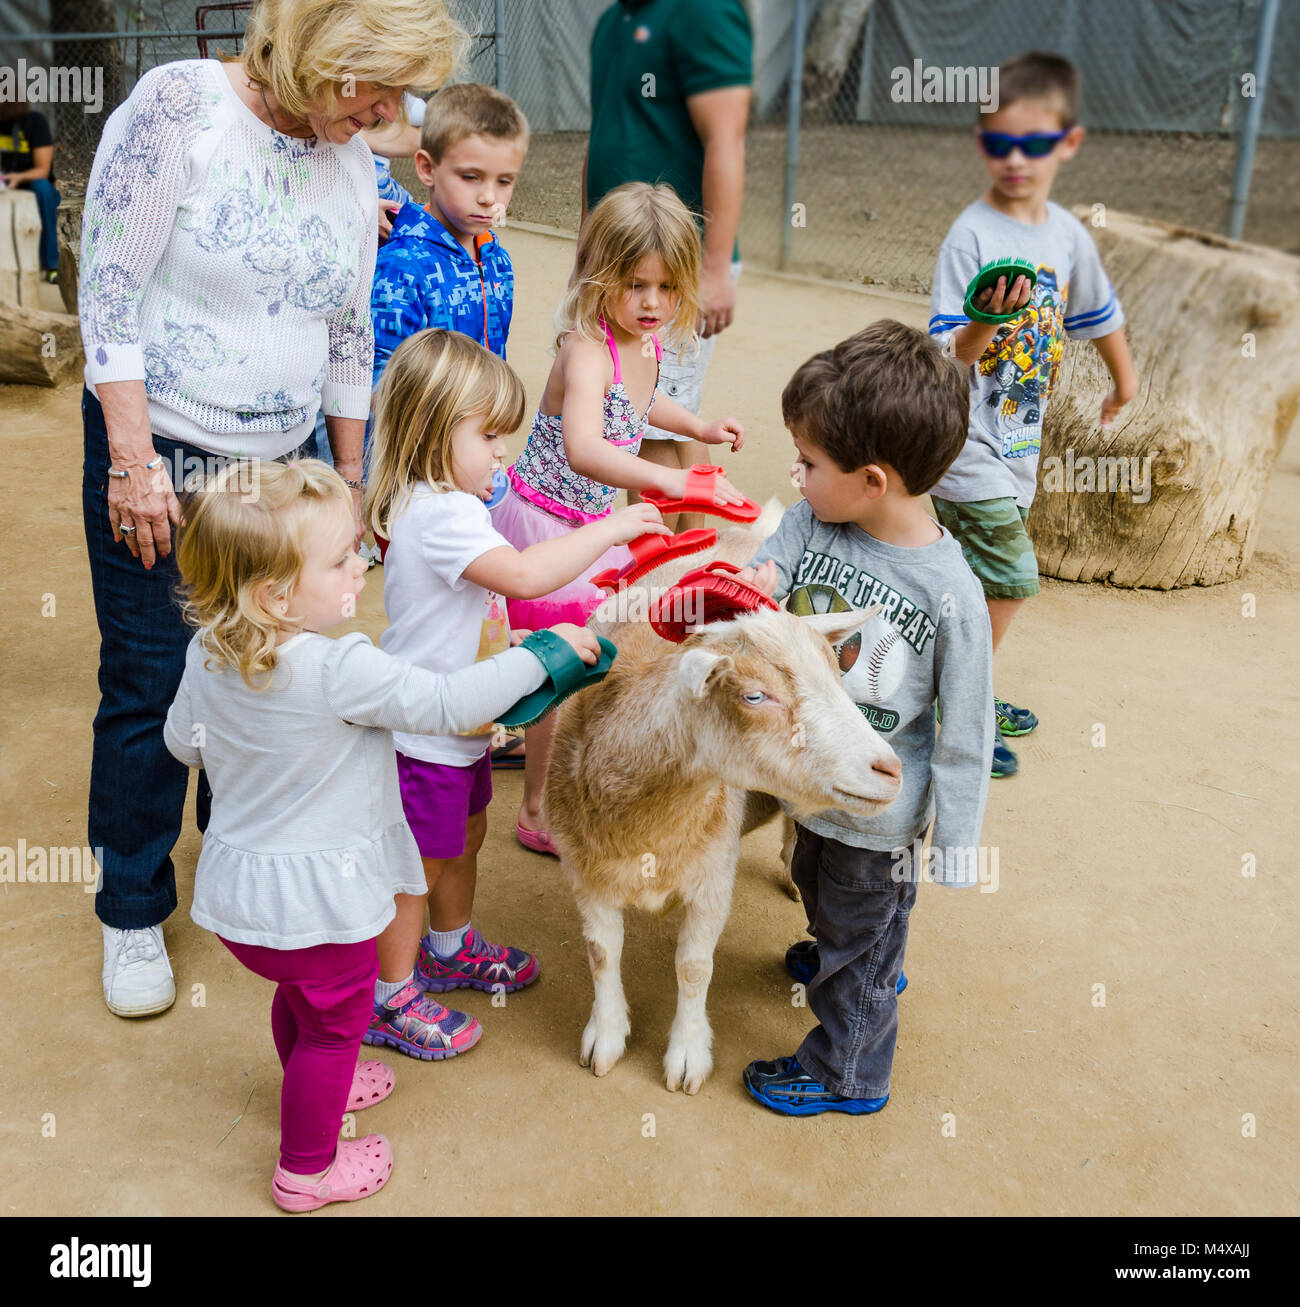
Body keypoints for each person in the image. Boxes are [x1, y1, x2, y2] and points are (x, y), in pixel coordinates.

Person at [77, 0, 466, 1020]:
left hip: (287, 459)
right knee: (155, 677)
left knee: (264, 680)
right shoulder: (179, 110)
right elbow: (110, 286)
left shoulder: (354, 162)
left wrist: (346, 474)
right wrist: (130, 458)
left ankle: (237, 881)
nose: (394, 111)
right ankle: (130, 905)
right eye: (375, 88)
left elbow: (347, 329)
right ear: (317, 58)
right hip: (164, 446)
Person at [164, 458, 600, 1210]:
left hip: (244, 900)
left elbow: (182, 745)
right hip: (317, 905)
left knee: (305, 997)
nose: (360, 565)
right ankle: (307, 1169)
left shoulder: (207, 650)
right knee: (338, 1020)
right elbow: (445, 699)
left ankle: (316, 1086)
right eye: (339, 559)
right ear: (273, 593)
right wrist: (540, 653)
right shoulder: (340, 667)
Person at [358, 329, 665, 1056]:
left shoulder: (449, 504)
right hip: (423, 735)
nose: (504, 450)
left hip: (457, 726)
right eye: (488, 433)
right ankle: (388, 994)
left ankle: (448, 945)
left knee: (464, 838)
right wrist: (613, 524)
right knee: (416, 868)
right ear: (434, 430)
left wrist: (526, 653)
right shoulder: (442, 514)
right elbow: (527, 577)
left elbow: (482, 613)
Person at [738, 321, 995, 1117]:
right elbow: (772, 560)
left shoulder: (950, 591)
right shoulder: (819, 521)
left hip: (881, 812)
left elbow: (967, 727)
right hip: (815, 782)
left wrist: (955, 842)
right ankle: (850, 948)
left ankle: (848, 1068)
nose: (797, 475)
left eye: (810, 464)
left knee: (863, 926)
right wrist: (752, 579)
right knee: (818, 881)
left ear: (874, 479)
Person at [490, 181, 747, 856]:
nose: (653, 302)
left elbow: (643, 404)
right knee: (558, 668)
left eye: (666, 287)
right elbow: (586, 446)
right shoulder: (585, 349)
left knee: (595, 659)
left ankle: (553, 765)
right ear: (600, 276)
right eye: (635, 285)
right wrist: (667, 478)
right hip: (548, 525)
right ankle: (538, 809)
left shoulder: (646, 341)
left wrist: (698, 424)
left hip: (594, 530)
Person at [926, 51, 1137, 778]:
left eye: (1035, 144)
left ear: (1067, 144)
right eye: (997, 142)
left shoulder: (1065, 235)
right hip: (965, 448)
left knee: (972, 584)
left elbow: (1099, 310)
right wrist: (987, 317)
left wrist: (1124, 380)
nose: (1015, 159)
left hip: (1018, 445)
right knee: (1012, 578)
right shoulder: (971, 235)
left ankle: (960, 684)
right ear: (980, 140)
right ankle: (961, 710)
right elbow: (945, 355)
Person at [585, 0, 752, 528]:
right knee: (660, 421)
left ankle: (665, 574)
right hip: (617, 262)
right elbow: (603, 138)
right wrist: (586, 251)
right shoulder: (613, 22)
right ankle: (682, 572)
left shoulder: (702, 11)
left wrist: (715, 267)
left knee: (653, 425)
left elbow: (726, 138)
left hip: (671, 268)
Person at [371, 82, 528, 376]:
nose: (489, 197)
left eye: (504, 181)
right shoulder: (401, 267)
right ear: (427, 169)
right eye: (471, 177)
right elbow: (380, 381)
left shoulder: (499, 261)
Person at [0, 99, 60, 281]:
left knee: (43, 190)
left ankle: (51, 266)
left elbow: (43, 170)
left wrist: (17, 178)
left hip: (33, 184)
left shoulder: (35, 122)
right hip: (4, 183)